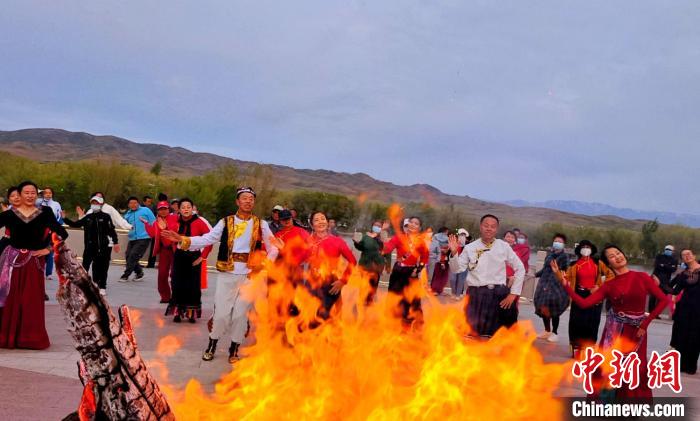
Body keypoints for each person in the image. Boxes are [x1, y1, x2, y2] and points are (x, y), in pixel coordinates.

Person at [161, 187, 278, 363]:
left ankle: (234, 348)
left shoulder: (261, 224)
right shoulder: (225, 222)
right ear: (237, 202)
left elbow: (273, 247)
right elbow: (207, 239)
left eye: (251, 199)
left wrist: (264, 265)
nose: (248, 201)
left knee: (240, 315)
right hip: (227, 275)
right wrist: (183, 240)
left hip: (250, 277)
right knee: (222, 314)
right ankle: (212, 344)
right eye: (244, 198)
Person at [553, 244, 669, 399]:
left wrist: (645, 323)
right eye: (612, 256)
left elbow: (663, 300)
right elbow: (584, 303)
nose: (618, 257)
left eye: (618, 253)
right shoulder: (609, 285)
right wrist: (565, 285)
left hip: (637, 331)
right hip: (613, 332)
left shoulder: (641, 277)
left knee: (635, 369)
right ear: (608, 264)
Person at [0, 181, 68, 349]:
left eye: (33, 193)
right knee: (12, 298)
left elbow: (62, 232)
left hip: (34, 262)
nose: (30, 196)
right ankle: (10, 337)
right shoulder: (10, 214)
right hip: (13, 261)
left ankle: (30, 338)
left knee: (31, 299)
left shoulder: (45, 212)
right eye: (26, 192)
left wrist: (49, 249)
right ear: (20, 194)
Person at [448, 214, 524, 339]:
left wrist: (513, 294)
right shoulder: (470, 248)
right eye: (486, 225)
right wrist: (454, 253)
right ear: (480, 227)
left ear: (497, 229)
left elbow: (520, 268)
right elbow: (457, 269)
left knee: (499, 336)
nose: (489, 229)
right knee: (472, 335)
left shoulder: (503, 246)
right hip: (476, 296)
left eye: (493, 226)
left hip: (499, 296)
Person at [160, 198, 212, 323]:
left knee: (193, 285)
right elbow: (169, 238)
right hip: (179, 256)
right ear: (179, 209)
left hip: (194, 257)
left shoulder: (199, 222)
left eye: (188, 207)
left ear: (192, 208)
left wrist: (203, 256)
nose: (186, 209)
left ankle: (191, 314)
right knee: (177, 283)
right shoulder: (175, 221)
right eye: (183, 207)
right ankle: (178, 312)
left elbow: (210, 239)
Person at [563, 240, 614, 359]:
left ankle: (588, 349)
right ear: (579, 249)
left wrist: (599, 287)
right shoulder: (574, 265)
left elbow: (611, 275)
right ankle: (576, 348)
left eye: (588, 247)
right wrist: (559, 276)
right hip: (579, 294)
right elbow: (565, 278)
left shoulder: (598, 263)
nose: (586, 249)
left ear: (592, 250)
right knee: (577, 322)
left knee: (592, 322)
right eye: (583, 247)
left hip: (594, 295)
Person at [304, 211, 356, 320]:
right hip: (311, 282)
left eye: (323, 219)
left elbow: (352, 261)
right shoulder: (308, 241)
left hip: (329, 284)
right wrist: (284, 249)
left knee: (323, 318)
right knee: (305, 315)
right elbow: (297, 257)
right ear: (312, 224)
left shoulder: (337, 241)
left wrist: (343, 281)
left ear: (327, 223)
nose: (320, 222)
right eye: (316, 220)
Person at [63, 196, 120, 296]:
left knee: (101, 268)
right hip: (89, 248)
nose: (94, 205)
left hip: (103, 247)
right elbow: (76, 224)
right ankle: (83, 286)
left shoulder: (106, 216)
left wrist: (115, 242)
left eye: (97, 203)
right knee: (85, 267)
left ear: (101, 204)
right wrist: (65, 219)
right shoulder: (88, 217)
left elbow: (111, 230)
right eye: (93, 203)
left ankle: (102, 286)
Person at [383, 216, 429, 329]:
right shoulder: (399, 237)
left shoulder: (421, 242)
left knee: (412, 298)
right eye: (411, 222)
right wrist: (383, 242)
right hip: (399, 270)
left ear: (420, 227)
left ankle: (411, 321)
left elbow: (425, 258)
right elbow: (387, 249)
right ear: (407, 225)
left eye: (416, 223)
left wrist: (417, 269)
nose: (413, 224)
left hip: (411, 272)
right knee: (395, 296)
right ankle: (393, 319)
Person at [533, 233, 570, 343]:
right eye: (556, 241)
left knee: (554, 309)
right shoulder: (549, 255)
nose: (557, 243)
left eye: (560, 242)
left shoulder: (564, 257)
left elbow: (567, 272)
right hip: (543, 284)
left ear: (563, 244)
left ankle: (555, 332)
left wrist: (560, 274)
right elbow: (544, 269)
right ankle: (547, 330)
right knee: (543, 308)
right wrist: (534, 274)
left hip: (555, 286)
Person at [668, 248, 700, 374]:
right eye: (683, 255)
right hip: (684, 309)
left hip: (698, 310)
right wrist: (657, 283)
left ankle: (691, 366)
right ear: (682, 259)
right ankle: (680, 365)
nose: (686, 256)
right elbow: (673, 289)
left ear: (694, 255)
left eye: (688, 254)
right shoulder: (682, 274)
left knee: (695, 337)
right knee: (682, 336)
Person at [143, 201, 177, 303]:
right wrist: (146, 224)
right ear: (157, 211)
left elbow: (176, 230)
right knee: (162, 274)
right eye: (160, 209)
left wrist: (165, 227)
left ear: (168, 209)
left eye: (165, 209)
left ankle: (176, 296)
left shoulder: (175, 218)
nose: (163, 211)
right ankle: (165, 297)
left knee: (175, 274)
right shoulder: (156, 221)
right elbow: (152, 234)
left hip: (176, 249)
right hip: (164, 250)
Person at [120, 197, 156, 281]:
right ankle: (139, 273)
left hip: (144, 237)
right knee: (128, 255)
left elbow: (154, 222)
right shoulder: (128, 214)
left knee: (133, 255)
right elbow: (122, 223)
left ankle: (126, 275)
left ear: (138, 203)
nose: (133, 205)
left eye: (135, 203)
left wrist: (153, 233)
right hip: (132, 238)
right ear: (128, 205)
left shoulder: (145, 210)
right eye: (131, 203)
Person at [353, 221, 388, 305]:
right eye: (375, 225)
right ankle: (362, 299)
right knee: (364, 283)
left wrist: (386, 265)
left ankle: (370, 300)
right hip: (365, 264)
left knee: (374, 284)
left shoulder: (382, 238)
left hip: (376, 265)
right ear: (372, 226)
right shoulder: (366, 237)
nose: (377, 227)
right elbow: (361, 247)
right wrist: (356, 243)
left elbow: (384, 250)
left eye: (379, 226)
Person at [501, 230, 529, 327]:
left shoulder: (517, 252)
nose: (510, 238)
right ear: (503, 238)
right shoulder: (497, 250)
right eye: (508, 236)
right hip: (499, 281)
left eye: (512, 237)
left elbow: (521, 268)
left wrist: (513, 278)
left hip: (513, 281)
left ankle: (510, 327)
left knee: (511, 304)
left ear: (515, 241)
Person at [36, 186, 63, 281]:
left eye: (49, 193)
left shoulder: (56, 204)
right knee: (39, 252)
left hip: (51, 231)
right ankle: (39, 271)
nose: (47, 194)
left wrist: (56, 228)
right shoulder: (38, 203)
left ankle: (48, 273)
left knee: (50, 251)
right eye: (45, 193)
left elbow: (60, 217)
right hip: (39, 231)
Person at [650, 245, 678, 314]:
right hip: (656, 278)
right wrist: (668, 266)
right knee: (653, 297)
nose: (668, 251)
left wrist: (663, 265)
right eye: (667, 249)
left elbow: (673, 269)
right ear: (664, 250)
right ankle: (651, 312)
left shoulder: (674, 259)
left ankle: (656, 313)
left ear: (673, 251)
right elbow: (657, 265)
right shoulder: (659, 256)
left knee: (662, 298)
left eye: (670, 250)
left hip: (666, 281)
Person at [448, 228, 469, 301]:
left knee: (461, 281)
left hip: (464, 267)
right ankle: (453, 293)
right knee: (452, 279)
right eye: (460, 235)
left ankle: (457, 294)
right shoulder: (453, 243)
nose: (462, 237)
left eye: (463, 235)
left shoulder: (469, 246)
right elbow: (449, 253)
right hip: (454, 265)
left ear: (466, 237)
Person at [429, 227, 451, 295]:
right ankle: (434, 289)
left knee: (443, 275)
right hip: (439, 260)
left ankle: (439, 290)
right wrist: (441, 250)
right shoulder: (435, 239)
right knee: (438, 275)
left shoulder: (447, 240)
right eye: (446, 232)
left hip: (446, 259)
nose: (446, 234)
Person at [0, 187, 20, 257]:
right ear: (9, 200)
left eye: (18, 195)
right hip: (7, 243)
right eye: (12, 196)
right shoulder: (6, 214)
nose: (16, 197)